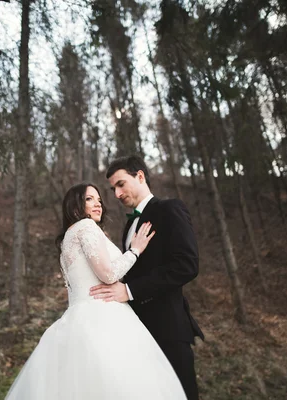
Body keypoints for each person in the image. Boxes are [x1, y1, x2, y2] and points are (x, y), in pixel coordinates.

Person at [5, 183, 186, 400]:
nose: (98, 203)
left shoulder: (67, 238)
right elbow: (108, 275)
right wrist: (135, 251)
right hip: (103, 316)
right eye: (90, 199)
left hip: (76, 318)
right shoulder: (86, 227)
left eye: (99, 199)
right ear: (75, 206)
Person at [89, 155, 204, 400]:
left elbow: (186, 265)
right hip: (138, 334)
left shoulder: (169, 209)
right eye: (113, 189)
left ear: (140, 176)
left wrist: (129, 290)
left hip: (168, 329)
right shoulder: (128, 227)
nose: (117, 194)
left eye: (121, 184)